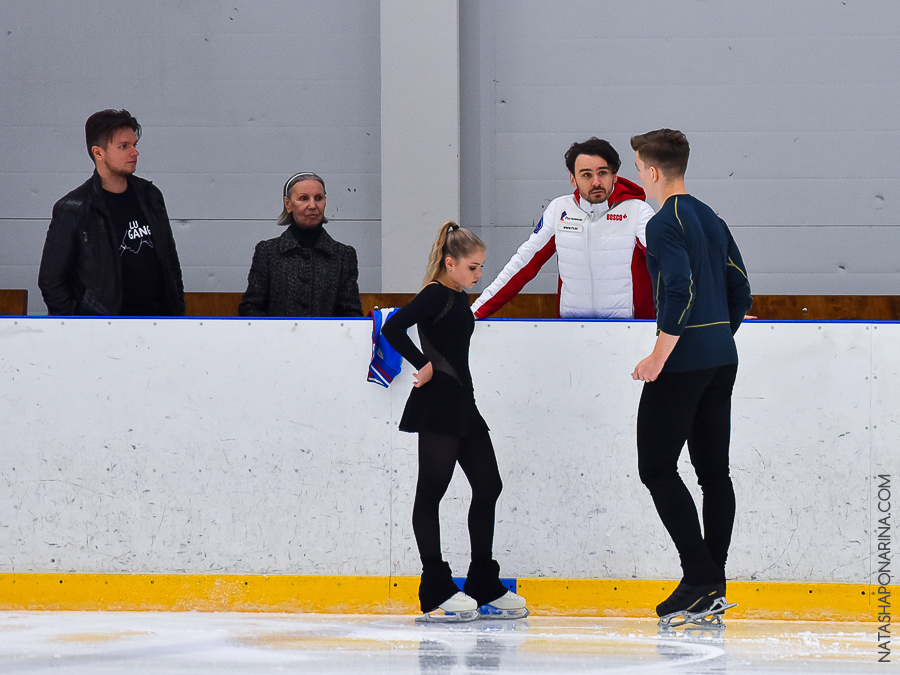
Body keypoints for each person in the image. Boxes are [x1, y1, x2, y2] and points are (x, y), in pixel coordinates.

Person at [629, 129, 752, 625]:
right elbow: (739, 289)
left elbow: (677, 289)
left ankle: (699, 577)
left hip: (682, 362)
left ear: (653, 171)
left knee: (656, 468)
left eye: (638, 169)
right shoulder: (710, 216)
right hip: (723, 356)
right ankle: (711, 584)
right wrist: (719, 335)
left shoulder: (662, 224)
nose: (639, 177)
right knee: (713, 472)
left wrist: (659, 356)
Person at [381, 221, 527, 622]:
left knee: (489, 484)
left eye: (481, 267)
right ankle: (436, 586)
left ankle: (482, 579)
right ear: (450, 263)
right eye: (473, 268)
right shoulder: (434, 295)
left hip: (463, 404)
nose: (479, 275)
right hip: (438, 406)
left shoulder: (458, 297)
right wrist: (423, 363)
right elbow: (393, 327)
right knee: (431, 493)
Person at [471, 137, 656, 319]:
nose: (596, 182)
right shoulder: (560, 209)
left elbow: (670, 262)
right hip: (572, 330)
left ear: (614, 176)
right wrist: (474, 311)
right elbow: (523, 263)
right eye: (586, 175)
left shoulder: (637, 211)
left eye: (603, 173)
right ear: (572, 179)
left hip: (631, 331)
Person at [38, 109, 185, 315]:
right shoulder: (74, 208)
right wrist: (79, 326)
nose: (134, 152)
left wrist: (177, 315)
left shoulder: (150, 196)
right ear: (98, 153)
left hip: (158, 325)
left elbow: (170, 263)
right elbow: (51, 281)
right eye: (123, 147)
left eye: (134, 145)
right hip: (104, 331)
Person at [238, 172, 362, 317]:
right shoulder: (268, 252)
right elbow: (251, 308)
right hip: (277, 338)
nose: (312, 205)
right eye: (303, 198)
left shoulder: (343, 255)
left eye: (318, 198)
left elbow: (352, 314)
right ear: (288, 204)